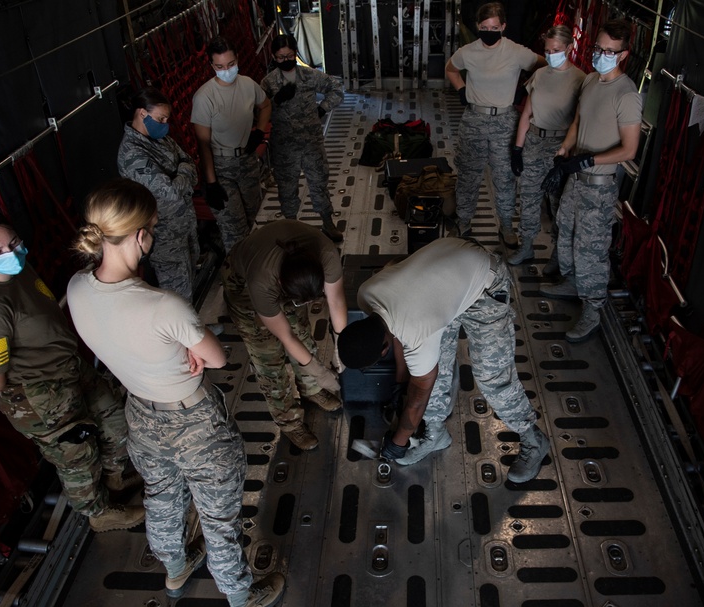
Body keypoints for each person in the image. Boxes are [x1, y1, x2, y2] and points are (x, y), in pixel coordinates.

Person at [67, 179, 284, 607]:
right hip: (195, 423)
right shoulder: (162, 305)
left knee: (162, 498)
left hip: (141, 415)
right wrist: (189, 352)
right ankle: (242, 599)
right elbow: (218, 358)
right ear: (141, 235)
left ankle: (175, 569)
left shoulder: (76, 288)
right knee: (219, 516)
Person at [0, 206, 144, 533]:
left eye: (14, 243)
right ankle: (98, 513)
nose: (12, 253)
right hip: (38, 392)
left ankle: (115, 479)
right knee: (76, 456)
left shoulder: (17, 268)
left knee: (115, 421)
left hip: (68, 367)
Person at [336, 237, 551, 483]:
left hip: (484, 284)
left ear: (382, 348)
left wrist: (398, 443)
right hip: (445, 271)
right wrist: (399, 383)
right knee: (435, 366)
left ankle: (533, 438)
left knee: (491, 376)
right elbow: (395, 331)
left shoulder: (417, 329)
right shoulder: (367, 294)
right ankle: (435, 434)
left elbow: (417, 399)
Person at [538, 19, 643, 343]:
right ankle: (571, 281)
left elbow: (629, 148)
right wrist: (564, 149)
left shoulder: (627, 95)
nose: (601, 55)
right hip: (576, 177)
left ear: (623, 55)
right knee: (565, 232)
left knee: (591, 249)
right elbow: (579, 120)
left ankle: (593, 309)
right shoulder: (591, 82)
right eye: (598, 48)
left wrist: (591, 159)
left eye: (610, 51)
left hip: (598, 185)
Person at [222, 219, 347, 450]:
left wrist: (342, 346)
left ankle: (312, 390)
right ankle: (289, 421)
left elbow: (337, 301)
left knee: (304, 336)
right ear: (281, 284)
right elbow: (285, 336)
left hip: (294, 275)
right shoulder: (262, 282)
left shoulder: (327, 255)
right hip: (244, 286)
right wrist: (319, 371)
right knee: (268, 357)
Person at [117, 88, 225, 334]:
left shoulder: (160, 139)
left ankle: (192, 329)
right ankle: (183, 340)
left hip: (184, 225)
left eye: (167, 119)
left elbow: (189, 162)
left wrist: (180, 174)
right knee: (176, 293)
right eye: (161, 119)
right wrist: (181, 174)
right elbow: (170, 193)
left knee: (188, 284)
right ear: (142, 113)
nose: (165, 124)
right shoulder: (133, 153)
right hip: (164, 236)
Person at [445, 2, 544, 241]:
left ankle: (506, 226)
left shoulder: (515, 51)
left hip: (504, 121)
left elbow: (544, 65)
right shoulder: (468, 52)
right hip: (474, 120)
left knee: (505, 177)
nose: (490, 31)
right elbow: (451, 69)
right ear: (478, 26)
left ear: (503, 26)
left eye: (495, 27)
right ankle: (463, 221)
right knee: (468, 175)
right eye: (485, 27)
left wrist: (526, 89)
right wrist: (461, 89)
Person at [508, 25, 584, 267]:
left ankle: (558, 256)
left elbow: (579, 122)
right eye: (547, 50)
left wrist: (567, 155)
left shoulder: (581, 80)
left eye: (556, 50)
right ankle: (526, 247)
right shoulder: (540, 75)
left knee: (558, 204)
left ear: (570, 49)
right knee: (529, 198)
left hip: (559, 146)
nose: (551, 55)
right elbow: (526, 113)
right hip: (534, 141)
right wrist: (518, 149)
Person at [260, 34, 345, 243]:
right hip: (284, 146)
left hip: (311, 142)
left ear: (295, 53)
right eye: (280, 57)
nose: (285, 60)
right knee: (287, 187)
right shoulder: (268, 82)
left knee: (319, 183)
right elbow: (258, 112)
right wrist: (275, 100)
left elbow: (337, 88)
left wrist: (322, 109)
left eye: (289, 55)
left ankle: (327, 223)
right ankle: (291, 229)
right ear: (273, 57)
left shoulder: (309, 76)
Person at [192, 37, 272, 254]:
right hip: (221, 166)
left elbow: (265, 105)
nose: (226, 70)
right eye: (219, 66)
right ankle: (236, 281)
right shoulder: (204, 97)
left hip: (247, 160)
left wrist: (259, 131)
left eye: (230, 64)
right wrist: (211, 182)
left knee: (251, 216)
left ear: (237, 60)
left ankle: (248, 270)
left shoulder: (248, 85)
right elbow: (203, 143)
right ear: (211, 66)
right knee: (233, 231)